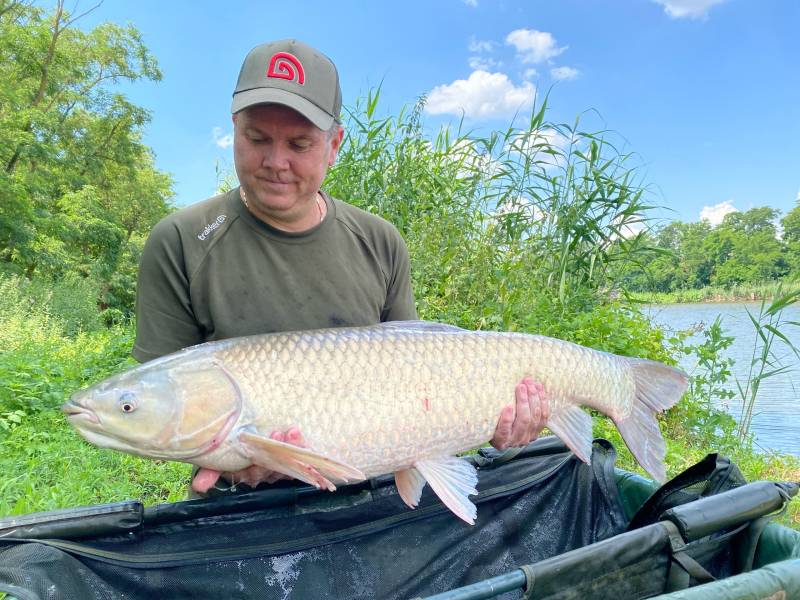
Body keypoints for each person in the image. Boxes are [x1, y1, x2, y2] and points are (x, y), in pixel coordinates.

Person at [133, 39, 549, 496]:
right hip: (239, 502)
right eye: (257, 139)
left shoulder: (380, 241)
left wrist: (493, 421)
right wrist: (237, 458)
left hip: (367, 491)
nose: (276, 162)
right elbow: (166, 410)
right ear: (234, 129)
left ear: (333, 145)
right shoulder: (180, 241)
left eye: (299, 143)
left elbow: (416, 383)